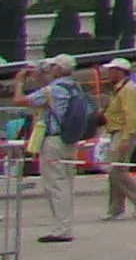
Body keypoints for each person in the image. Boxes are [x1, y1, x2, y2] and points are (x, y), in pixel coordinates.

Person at [17, 58, 93, 242]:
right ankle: (65, 224)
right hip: (70, 139)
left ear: (59, 69)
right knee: (66, 182)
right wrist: (39, 78)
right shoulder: (74, 87)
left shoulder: (53, 90)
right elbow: (49, 92)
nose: (49, 70)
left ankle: (62, 229)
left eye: (52, 67)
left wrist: (20, 81)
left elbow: (20, 100)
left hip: (53, 140)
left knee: (55, 185)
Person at [94, 61, 136, 219]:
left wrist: (126, 138)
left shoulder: (128, 90)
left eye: (112, 70)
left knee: (116, 170)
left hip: (123, 133)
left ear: (120, 71)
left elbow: (131, 116)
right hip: (116, 132)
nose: (108, 73)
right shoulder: (119, 89)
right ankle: (115, 209)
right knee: (115, 172)